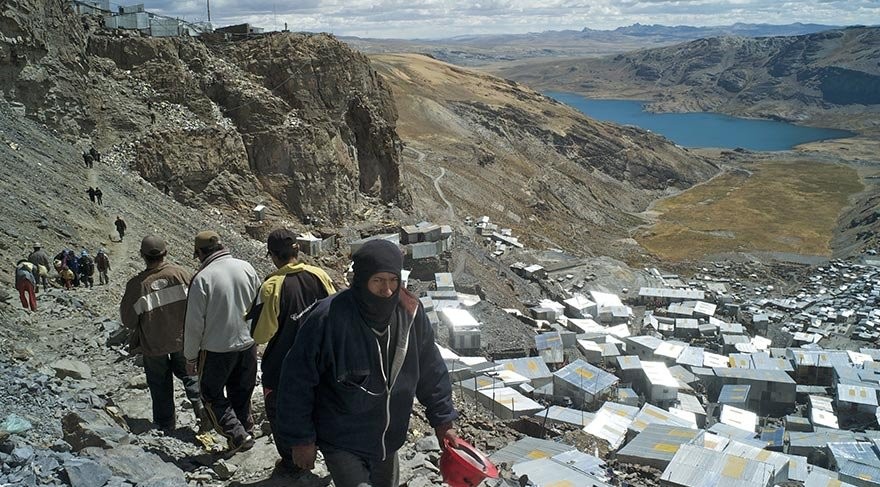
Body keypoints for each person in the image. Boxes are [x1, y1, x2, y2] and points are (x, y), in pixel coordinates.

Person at [275, 240, 458, 487]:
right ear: (360, 281)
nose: (388, 291)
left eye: (393, 280)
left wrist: (443, 422)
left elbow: (431, 371)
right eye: (378, 281)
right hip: (342, 441)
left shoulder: (410, 314)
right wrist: (301, 439)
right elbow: (296, 381)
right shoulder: (328, 319)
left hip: (388, 441)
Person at [248, 228, 336, 472]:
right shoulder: (319, 275)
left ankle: (291, 462)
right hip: (321, 363)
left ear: (273, 256)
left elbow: (260, 334)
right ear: (298, 250)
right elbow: (336, 312)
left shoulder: (272, 286)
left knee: (283, 414)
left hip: (283, 369)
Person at [184, 230, 261, 452]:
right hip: (247, 344)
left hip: (217, 349)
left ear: (199, 252)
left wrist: (190, 356)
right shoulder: (246, 267)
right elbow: (259, 305)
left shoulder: (202, 278)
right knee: (241, 391)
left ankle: (237, 436)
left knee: (210, 394)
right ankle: (246, 430)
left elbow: (193, 324)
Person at [121, 236, 205, 432]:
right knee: (192, 377)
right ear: (165, 252)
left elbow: (128, 321)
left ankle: (166, 426)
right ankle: (204, 413)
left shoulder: (137, 285)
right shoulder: (181, 274)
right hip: (183, 340)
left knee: (159, 386)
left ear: (142, 255)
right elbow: (199, 305)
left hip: (154, 344)